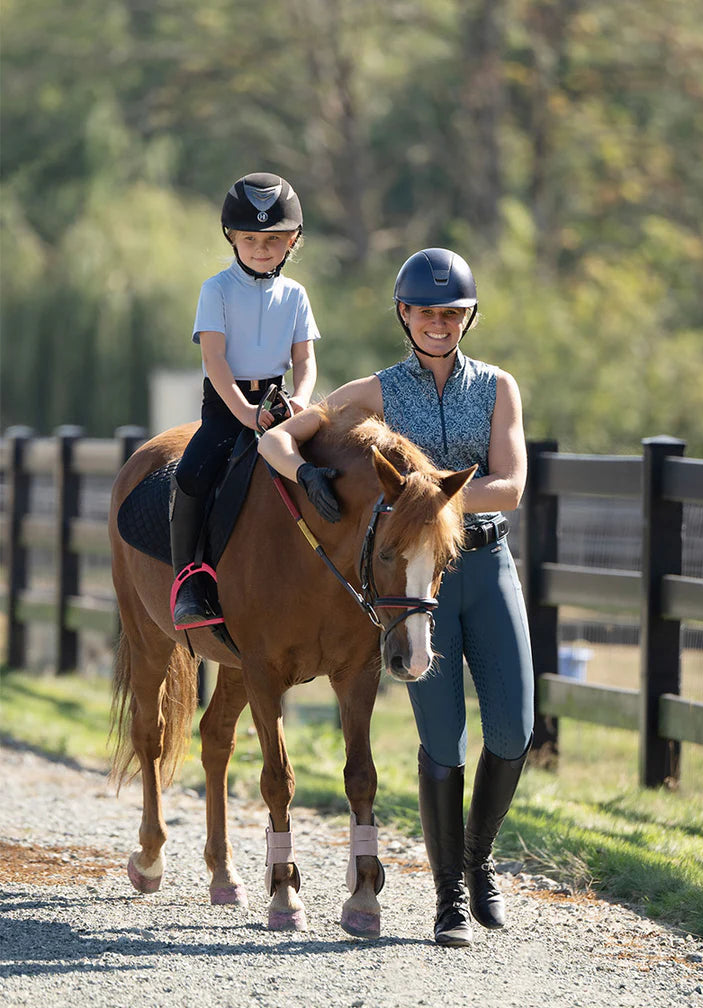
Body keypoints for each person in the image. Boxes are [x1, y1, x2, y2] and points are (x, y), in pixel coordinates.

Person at [258, 248, 534, 948]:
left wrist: (426, 496)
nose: (437, 324)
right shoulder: (374, 390)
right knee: (442, 739)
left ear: (468, 316)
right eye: (424, 312)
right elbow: (283, 438)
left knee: (513, 729)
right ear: (404, 315)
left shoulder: (498, 387)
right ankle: (447, 900)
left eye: (450, 313)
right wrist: (301, 470)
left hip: (484, 562)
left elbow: (510, 484)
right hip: (410, 585)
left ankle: (478, 862)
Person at [170, 172, 320, 629]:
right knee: (192, 476)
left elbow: (306, 361)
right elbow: (215, 360)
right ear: (233, 237)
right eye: (251, 238)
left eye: (273, 239)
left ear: (292, 240)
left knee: (329, 471)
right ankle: (188, 583)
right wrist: (245, 414)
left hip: (278, 406)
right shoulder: (215, 290)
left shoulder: (296, 295)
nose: (261, 248)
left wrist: (298, 402)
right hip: (226, 405)